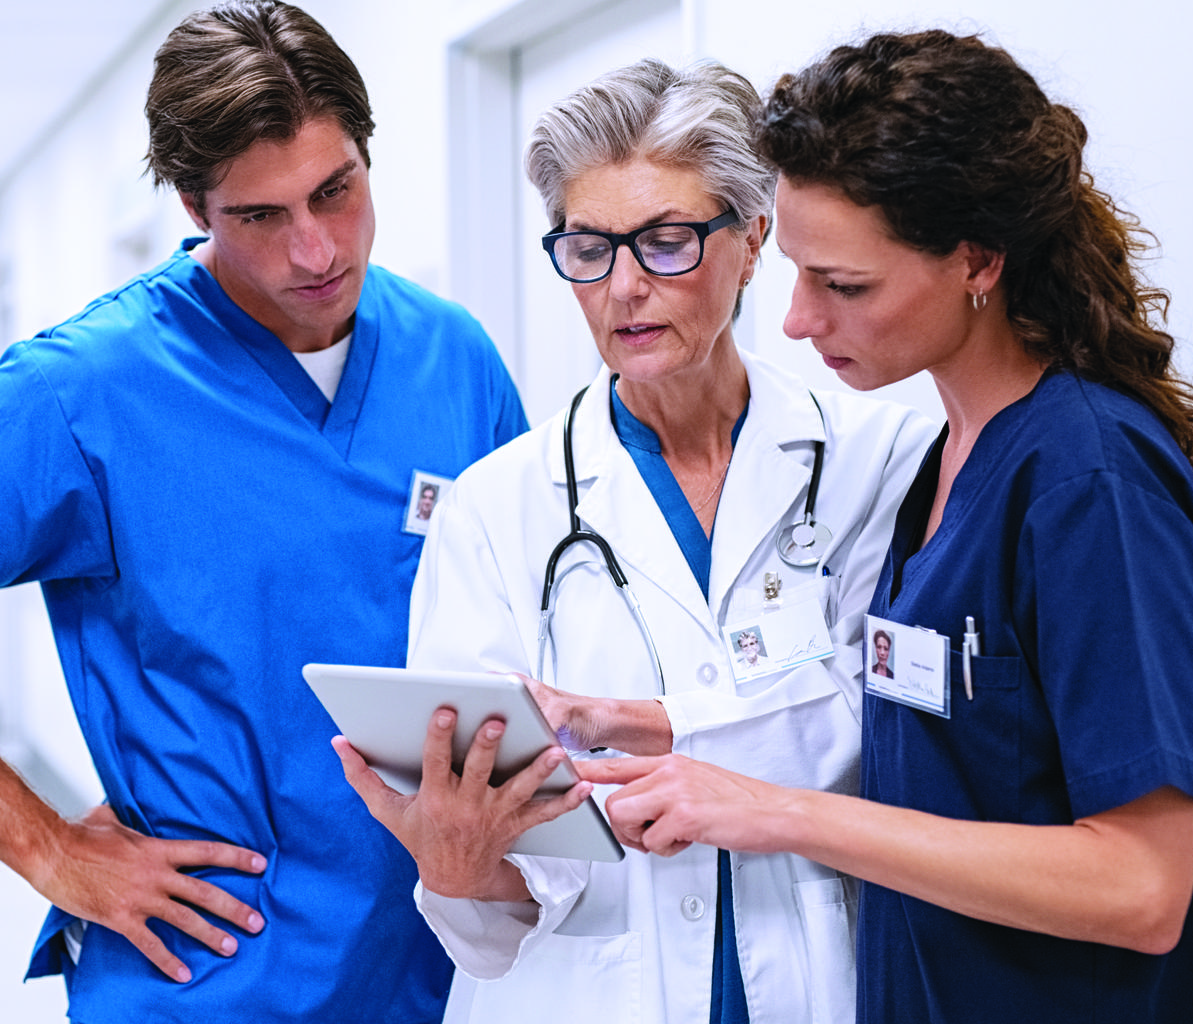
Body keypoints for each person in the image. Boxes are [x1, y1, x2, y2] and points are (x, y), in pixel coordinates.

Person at [0, 2, 526, 1022]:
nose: (316, 248)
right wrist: (49, 848)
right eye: (261, 217)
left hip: (441, 969)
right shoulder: (83, 392)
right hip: (207, 976)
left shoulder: (453, 357)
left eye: (337, 190)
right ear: (194, 205)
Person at [578, 30, 1193, 1023]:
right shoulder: (944, 462)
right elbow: (953, 756)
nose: (797, 320)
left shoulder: (1085, 479)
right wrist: (681, 732)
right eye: (796, 272)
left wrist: (783, 816)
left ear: (977, 260)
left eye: (843, 285)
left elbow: (1142, 887)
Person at [333, 59, 935, 1024]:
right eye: (588, 247)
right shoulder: (497, 511)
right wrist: (457, 857)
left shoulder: (876, 460)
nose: (622, 288)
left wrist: (656, 726)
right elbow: (490, 933)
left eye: (665, 242)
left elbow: (883, 739)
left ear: (752, 242)